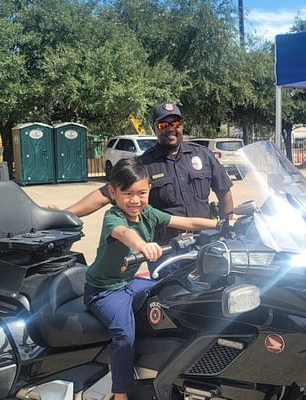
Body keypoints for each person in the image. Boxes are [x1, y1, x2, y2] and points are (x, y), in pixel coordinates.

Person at [84, 157, 222, 400]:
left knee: (171, 294)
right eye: (127, 194)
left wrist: (221, 225)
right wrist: (143, 245)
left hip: (128, 283)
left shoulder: (148, 213)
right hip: (104, 290)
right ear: (113, 193)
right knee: (124, 334)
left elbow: (187, 222)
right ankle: (120, 392)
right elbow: (124, 234)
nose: (135, 200)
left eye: (141, 193)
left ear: (149, 189)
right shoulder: (113, 217)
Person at [63, 102, 234, 268]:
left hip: (206, 243)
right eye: (163, 124)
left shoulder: (203, 154)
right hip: (167, 249)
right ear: (154, 129)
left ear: (181, 126)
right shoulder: (144, 164)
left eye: (175, 123)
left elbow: (224, 191)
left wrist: (226, 229)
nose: (170, 128)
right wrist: (63, 215)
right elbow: (106, 194)